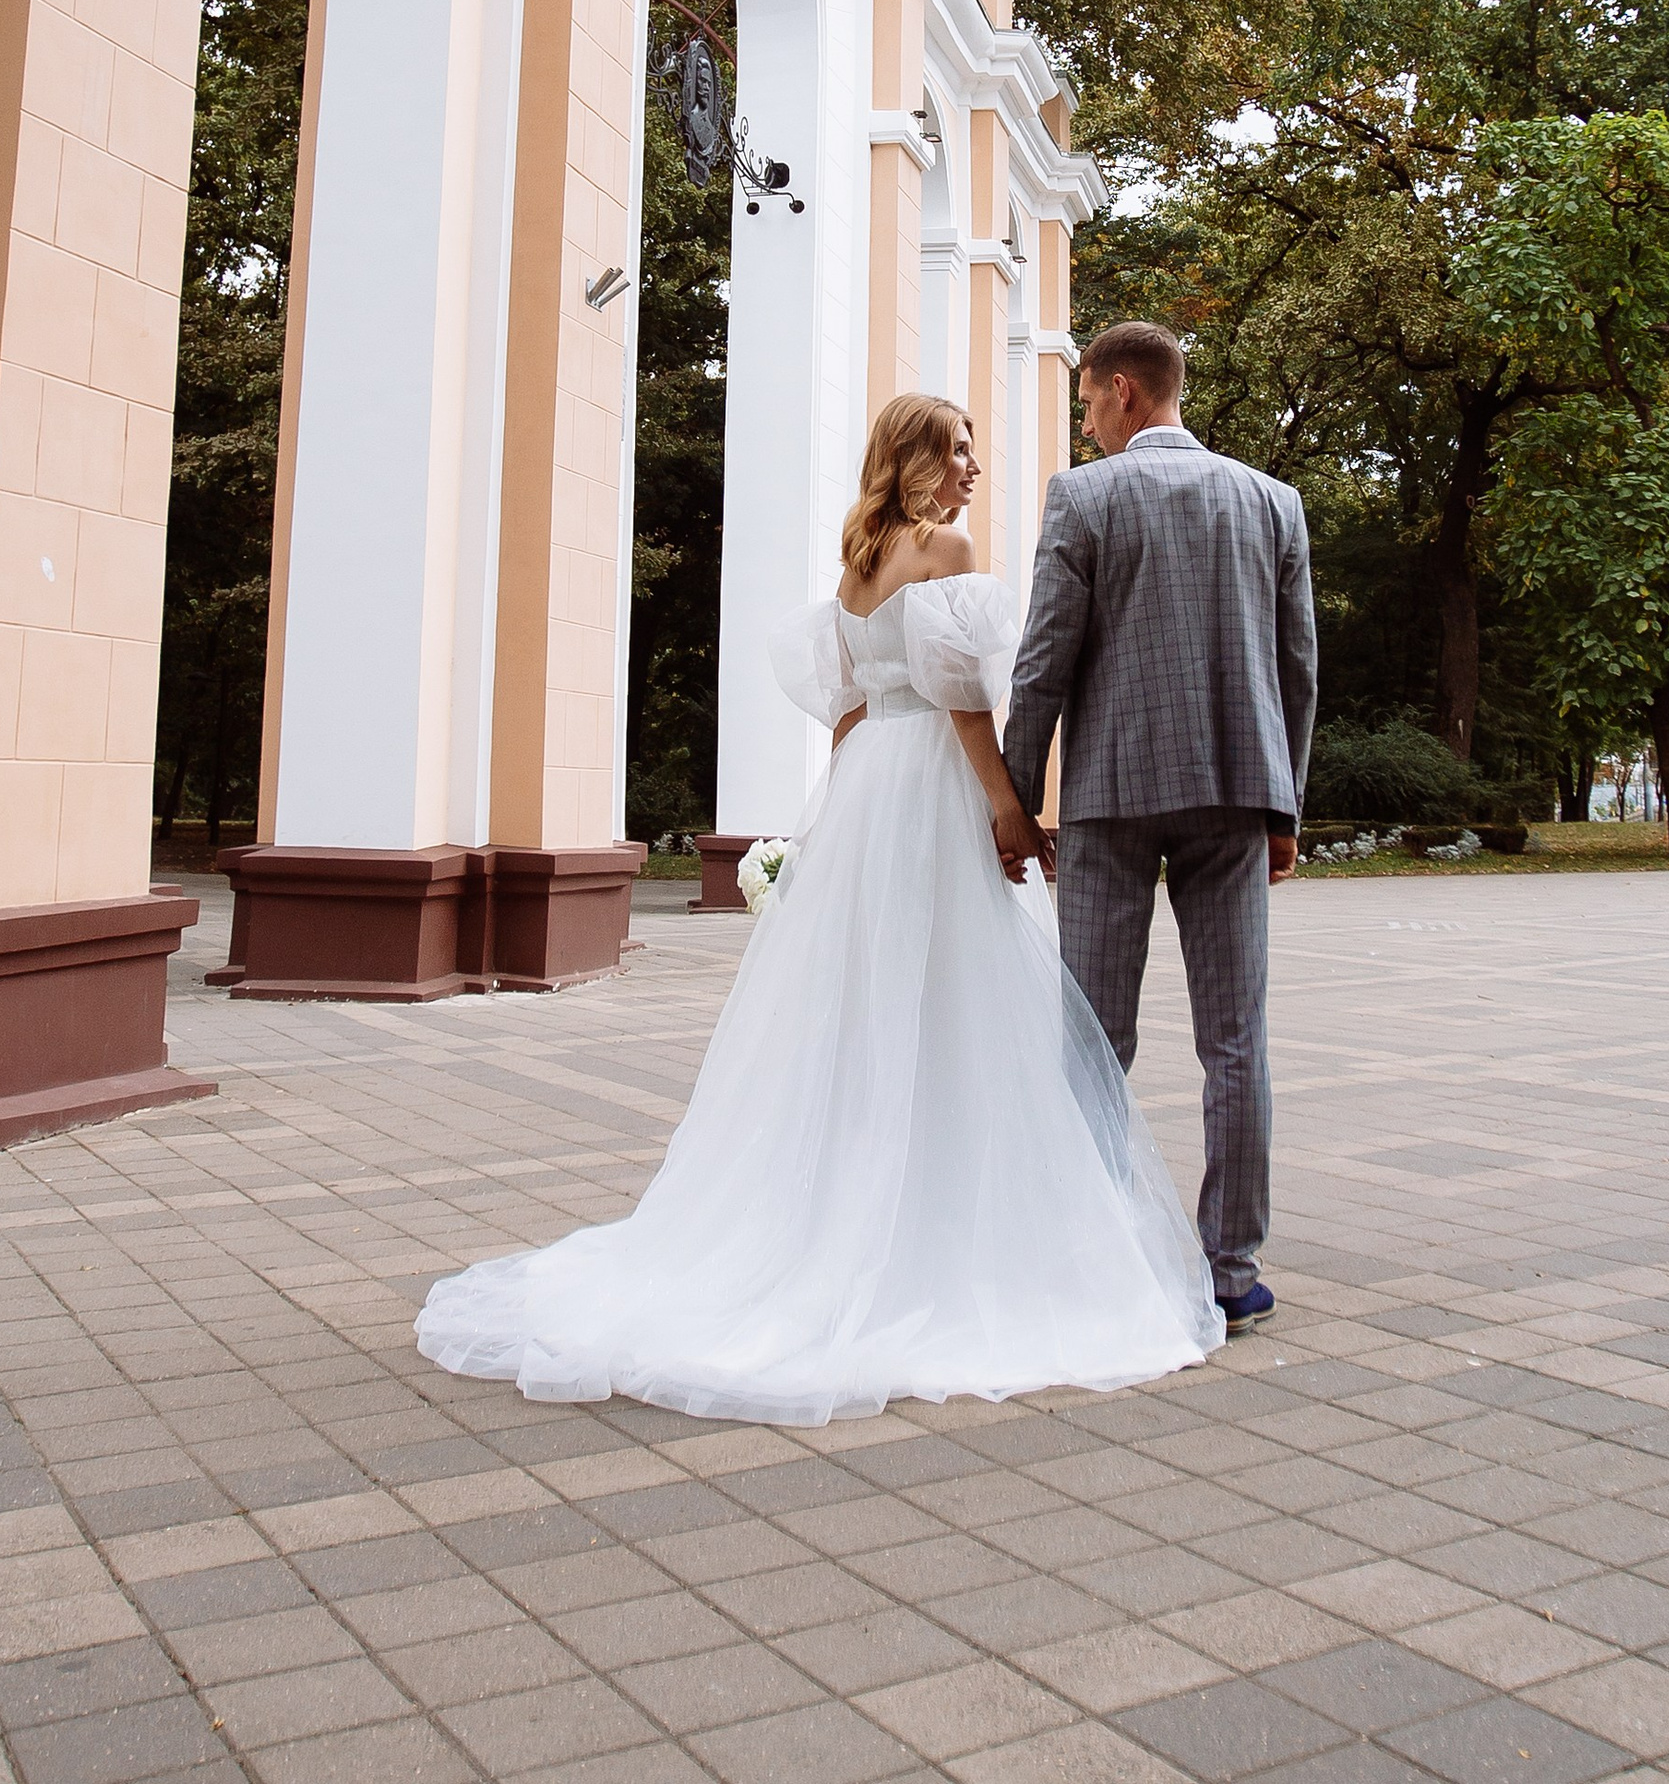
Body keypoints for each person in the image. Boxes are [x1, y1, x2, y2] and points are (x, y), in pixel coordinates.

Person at [416, 391, 1223, 1424]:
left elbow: (848, 712)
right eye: (957, 449)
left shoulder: (860, 557)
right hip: (929, 780)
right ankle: (938, 1220)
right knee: (955, 987)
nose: (973, 466)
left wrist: (833, 822)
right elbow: (962, 701)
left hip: (873, 784)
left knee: (870, 995)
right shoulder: (944, 547)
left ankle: (856, 1193)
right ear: (916, 458)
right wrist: (1008, 809)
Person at [1003, 321, 1316, 1333]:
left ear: (1126, 392)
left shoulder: (1083, 498)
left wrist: (1012, 800)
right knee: (1236, 1039)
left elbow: (1043, 661)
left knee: (1095, 1039)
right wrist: (1285, 807)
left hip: (1112, 796)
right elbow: (1298, 670)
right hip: (1236, 794)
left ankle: (1088, 1259)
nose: (1087, 422)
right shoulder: (1272, 501)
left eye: (1088, 401)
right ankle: (1232, 1270)